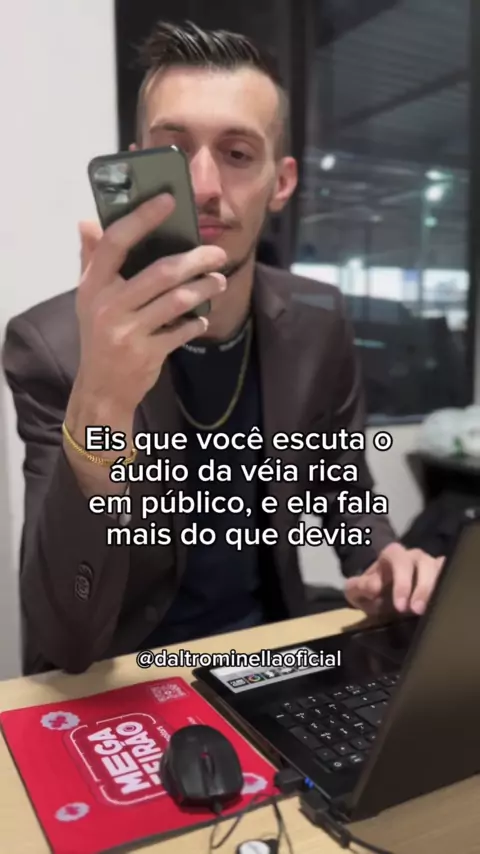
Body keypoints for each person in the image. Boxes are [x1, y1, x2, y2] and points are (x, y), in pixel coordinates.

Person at [2, 21, 443, 676]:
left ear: (281, 181)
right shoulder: (52, 345)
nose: (203, 185)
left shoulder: (319, 319)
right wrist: (100, 403)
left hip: (272, 654)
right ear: (133, 167)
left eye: (237, 154)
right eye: (172, 153)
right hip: (130, 675)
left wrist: (383, 561)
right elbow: (64, 639)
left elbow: (342, 486)